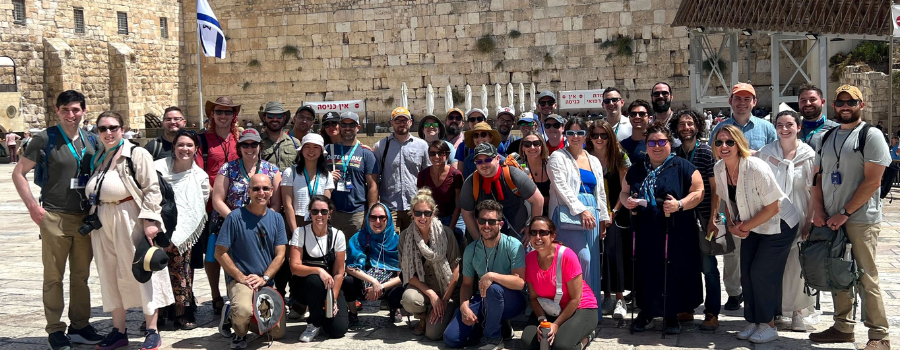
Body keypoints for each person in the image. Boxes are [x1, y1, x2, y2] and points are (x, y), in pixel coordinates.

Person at [13, 90, 104, 350]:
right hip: (54, 216)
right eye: (65, 110)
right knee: (54, 276)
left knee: (81, 276)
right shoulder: (45, 138)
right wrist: (33, 207)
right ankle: (54, 329)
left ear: (84, 111)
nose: (71, 115)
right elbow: (19, 173)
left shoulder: (92, 140)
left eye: (75, 110)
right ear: (57, 111)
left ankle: (80, 325)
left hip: (84, 218)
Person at [808, 85, 891, 350]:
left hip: (859, 219)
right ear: (834, 105)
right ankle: (843, 327)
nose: (845, 106)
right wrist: (818, 209)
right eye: (840, 102)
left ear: (861, 105)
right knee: (838, 273)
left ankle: (879, 335)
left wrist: (845, 213)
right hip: (832, 217)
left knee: (866, 275)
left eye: (851, 102)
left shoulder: (871, 135)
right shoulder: (828, 135)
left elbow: (873, 181)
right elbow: (818, 176)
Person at [85, 111, 175, 350]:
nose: (108, 132)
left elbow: (151, 188)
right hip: (102, 220)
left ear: (122, 128)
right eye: (102, 129)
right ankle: (118, 330)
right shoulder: (100, 157)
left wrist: (151, 220)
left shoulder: (136, 153)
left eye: (113, 127)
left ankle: (152, 329)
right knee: (110, 273)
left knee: (141, 270)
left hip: (130, 217)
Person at [712, 125, 797, 343]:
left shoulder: (756, 167)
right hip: (752, 224)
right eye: (719, 142)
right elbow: (726, 201)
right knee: (746, 273)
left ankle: (768, 325)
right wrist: (731, 226)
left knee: (761, 273)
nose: (724, 146)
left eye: (729, 142)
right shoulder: (719, 168)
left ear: (739, 144)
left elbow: (773, 208)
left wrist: (744, 227)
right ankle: (754, 321)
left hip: (779, 225)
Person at [620, 121, 704, 334]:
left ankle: (671, 315)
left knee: (673, 271)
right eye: (652, 142)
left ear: (670, 143)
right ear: (646, 144)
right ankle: (646, 311)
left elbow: (698, 191)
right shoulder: (638, 167)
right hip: (645, 230)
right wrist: (628, 201)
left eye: (661, 141)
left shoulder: (682, 165)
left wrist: (680, 204)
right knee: (646, 271)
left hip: (676, 230)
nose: (657, 146)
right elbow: (624, 191)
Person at [708, 83, 778, 312]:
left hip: (761, 201)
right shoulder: (720, 129)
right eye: (738, 98)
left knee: (758, 255)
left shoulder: (767, 128)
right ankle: (734, 292)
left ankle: (757, 296)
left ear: (754, 102)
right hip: (733, 203)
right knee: (732, 252)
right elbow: (717, 166)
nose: (742, 103)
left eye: (747, 99)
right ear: (730, 102)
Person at [210, 128, 282, 334]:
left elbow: (275, 203)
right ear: (239, 147)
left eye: (254, 144)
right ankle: (234, 309)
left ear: (260, 146)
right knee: (236, 267)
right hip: (235, 228)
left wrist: (265, 220)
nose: (250, 148)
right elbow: (217, 199)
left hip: (263, 227)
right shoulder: (227, 169)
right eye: (245, 145)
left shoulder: (272, 170)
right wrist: (237, 221)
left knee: (277, 332)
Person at [757, 111, 817, 332]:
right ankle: (776, 308)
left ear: (798, 127)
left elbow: (813, 191)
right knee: (774, 266)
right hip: (773, 217)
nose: (784, 128)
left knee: (796, 265)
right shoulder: (765, 153)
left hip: (800, 213)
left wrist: (809, 221)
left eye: (789, 124)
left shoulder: (808, 155)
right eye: (780, 124)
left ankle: (798, 312)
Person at [547, 117, 610, 319]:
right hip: (569, 215)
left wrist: (603, 218)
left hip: (592, 215)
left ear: (586, 136)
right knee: (581, 260)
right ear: (565, 135)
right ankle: (574, 311)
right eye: (571, 133)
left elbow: (599, 191)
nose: (575, 137)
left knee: (592, 265)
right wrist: (581, 210)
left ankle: (590, 313)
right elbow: (561, 187)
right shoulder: (557, 157)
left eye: (580, 133)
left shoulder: (593, 160)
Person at [216, 173, 288, 348]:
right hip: (242, 281)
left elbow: (281, 255)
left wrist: (264, 277)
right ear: (248, 191)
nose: (261, 192)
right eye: (256, 188)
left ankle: (235, 316)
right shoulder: (235, 217)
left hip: (264, 281)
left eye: (265, 188)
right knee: (243, 311)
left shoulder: (277, 219)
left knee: (277, 333)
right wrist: (241, 278)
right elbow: (220, 252)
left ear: (272, 191)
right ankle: (239, 331)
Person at [443, 200, 527, 350]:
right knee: (452, 339)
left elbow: (520, 282)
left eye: (491, 221)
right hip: (482, 299)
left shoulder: (514, 245)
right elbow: (467, 284)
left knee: (493, 288)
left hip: (511, 301)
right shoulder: (471, 250)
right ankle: (499, 327)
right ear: (477, 222)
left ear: (500, 224)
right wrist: (464, 307)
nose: (486, 225)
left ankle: (493, 338)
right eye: (482, 221)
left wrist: (492, 276)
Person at [667, 109, 721, 329]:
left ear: (698, 126)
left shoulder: (706, 153)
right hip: (683, 219)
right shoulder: (676, 153)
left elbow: (715, 188)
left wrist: (713, 218)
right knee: (686, 266)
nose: (686, 128)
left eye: (690, 124)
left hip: (705, 217)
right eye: (681, 124)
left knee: (708, 267)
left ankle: (712, 312)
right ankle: (687, 308)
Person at [154, 131, 210, 330]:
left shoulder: (200, 177)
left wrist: (178, 231)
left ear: (196, 149)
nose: (184, 149)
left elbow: (198, 205)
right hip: (155, 227)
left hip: (183, 233)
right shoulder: (157, 169)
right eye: (180, 145)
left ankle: (181, 313)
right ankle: (157, 315)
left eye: (189, 145)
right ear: (173, 147)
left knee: (181, 273)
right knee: (155, 272)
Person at [520, 217, 598, 350]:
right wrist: (542, 321)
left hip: (580, 307)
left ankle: (585, 339)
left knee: (562, 346)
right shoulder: (529, 259)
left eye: (543, 232)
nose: (537, 237)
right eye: (533, 233)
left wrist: (556, 325)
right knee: (528, 344)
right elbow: (533, 298)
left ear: (552, 235)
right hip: (550, 308)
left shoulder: (567, 256)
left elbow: (575, 298)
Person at [399, 189, 461, 340]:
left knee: (433, 334)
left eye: (427, 213)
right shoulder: (405, 237)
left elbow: (456, 271)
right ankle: (423, 314)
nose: (422, 217)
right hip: (424, 287)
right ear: (412, 213)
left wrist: (444, 300)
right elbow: (408, 274)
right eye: (418, 212)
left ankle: (446, 312)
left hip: (447, 288)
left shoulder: (446, 234)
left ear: (433, 213)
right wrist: (432, 295)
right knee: (409, 299)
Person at [199, 97, 241, 315]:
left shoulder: (241, 140)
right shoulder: (203, 141)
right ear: (212, 115)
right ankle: (216, 295)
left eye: (228, 112)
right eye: (219, 112)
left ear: (233, 116)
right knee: (214, 252)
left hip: (238, 204)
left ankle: (236, 292)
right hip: (211, 206)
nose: (223, 116)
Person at [585, 120, 630, 320]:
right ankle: (606, 296)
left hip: (615, 211)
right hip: (591, 211)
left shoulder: (619, 157)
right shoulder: (585, 157)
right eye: (595, 135)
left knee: (614, 253)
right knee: (597, 255)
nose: (600, 139)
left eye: (604, 135)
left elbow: (625, 188)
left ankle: (619, 297)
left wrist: (612, 214)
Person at [289, 195, 349, 342]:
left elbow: (339, 272)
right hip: (305, 286)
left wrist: (333, 300)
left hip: (329, 287)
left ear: (330, 213)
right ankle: (313, 323)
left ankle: (323, 314)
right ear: (310, 213)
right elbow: (294, 267)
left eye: (323, 211)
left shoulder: (337, 235)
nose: (319, 215)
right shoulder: (300, 233)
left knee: (337, 330)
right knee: (315, 280)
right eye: (315, 212)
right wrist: (318, 270)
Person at [458, 142, 544, 240]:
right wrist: (478, 239)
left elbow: (538, 200)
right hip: (487, 237)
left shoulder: (513, 175)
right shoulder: (471, 182)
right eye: (479, 162)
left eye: (488, 160)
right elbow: (466, 213)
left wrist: (531, 228)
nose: (484, 165)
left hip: (519, 234)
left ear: (498, 159)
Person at [343, 203, 405, 327]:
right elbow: (349, 267)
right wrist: (373, 282)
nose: (378, 221)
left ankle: (394, 309)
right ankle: (353, 313)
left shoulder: (397, 241)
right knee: (348, 282)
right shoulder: (359, 238)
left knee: (400, 290)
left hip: (387, 285)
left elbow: (402, 275)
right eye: (373, 217)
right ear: (367, 218)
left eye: (382, 217)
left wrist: (381, 287)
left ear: (388, 219)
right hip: (364, 284)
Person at [373, 107, 431, 232]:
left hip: (415, 206)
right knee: (392, 245)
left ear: (410, 122)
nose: (401, 124)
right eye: (397, 121)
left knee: (415, 244)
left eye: (404, 120)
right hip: (390, 206)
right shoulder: (380, 146)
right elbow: (375, 176)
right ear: (391, 123)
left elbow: (428, 174)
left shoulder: (422, 145)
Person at [326, 111, 379, 239]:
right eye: (344, 124)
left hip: (357, 213)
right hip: (333, 212)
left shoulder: (366, 153)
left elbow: (373, 186)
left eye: (352, 125)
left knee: (355, 254)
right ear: (340, 126)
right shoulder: (328, 150)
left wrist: (370, 214)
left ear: (358, 128)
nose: (348, 128)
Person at [282, 134, 334, 234]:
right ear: (301, 150)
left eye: (315, 147)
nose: (311, 150)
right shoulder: (290, 172)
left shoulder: (327, 175)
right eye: (307, 147)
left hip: (319, 220)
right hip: (297, 220)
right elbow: (287, 204)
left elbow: (325, 205)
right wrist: (295, 231)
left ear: (321, 151)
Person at [417, 140, 465, 247]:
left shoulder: (456, 175)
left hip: (452, 220)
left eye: (441, 153)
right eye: (432, 153)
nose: (436, 156)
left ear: (447, 155)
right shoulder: (423, 175)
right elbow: (421, 202)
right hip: (430, 220)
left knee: (453, 256)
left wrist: (451, 228)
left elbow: (458, 205)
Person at [259, 101, 300, 172]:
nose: (275, 119)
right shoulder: (256, 143)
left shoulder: (295, 143)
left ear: (284, 118)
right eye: (270, 116)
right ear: (264, 118)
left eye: (279, 116)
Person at [797, 85, 839, 152]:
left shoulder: (836, 130)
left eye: (812, 99)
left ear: (823, 102)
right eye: (803, 100)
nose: (808, 103)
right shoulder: (791, 130)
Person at [518, 131, 551, 216]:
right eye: (527, 144)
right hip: (528, 215)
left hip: (551, 212)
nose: (532, 147)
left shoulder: (551, 164)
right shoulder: (518, 167)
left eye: (536, 143)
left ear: (542, 146)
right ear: (522, 148)